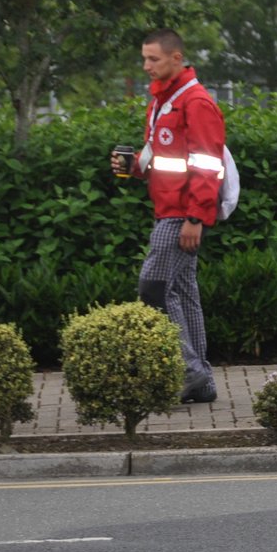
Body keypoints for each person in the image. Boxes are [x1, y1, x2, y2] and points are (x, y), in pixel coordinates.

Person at [110, 30, 226, 403]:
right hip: (169, 211)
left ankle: (190, 372)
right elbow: (160, 157)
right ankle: (202, 382)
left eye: (153, 59)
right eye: (144, 59)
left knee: (153, 288)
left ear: (177, 58)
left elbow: (208, 166)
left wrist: (196, 218)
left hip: (179, 215)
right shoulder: (163, 101)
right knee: (182, 293)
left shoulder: (195, 103)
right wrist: (133, 167)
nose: (146, 66)